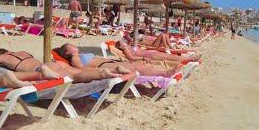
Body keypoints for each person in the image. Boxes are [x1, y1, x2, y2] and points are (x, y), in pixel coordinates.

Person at [0, 49, 126, 83]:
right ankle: (111, 70)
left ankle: (104, 73)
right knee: (78, 72)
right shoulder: (22, 52)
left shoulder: (6, 57)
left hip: (44, 69)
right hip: (53, 63)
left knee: (75, 77)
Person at [54, 44, 182, 77]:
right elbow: (80, 69)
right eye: (70, 46)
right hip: (106, 66)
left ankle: (165, 70)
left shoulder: (78, 54)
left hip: (110, 62)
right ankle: (165, 73)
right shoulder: (75, 58)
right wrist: (100, 71)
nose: (74, 46)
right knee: (137, 68)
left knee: (139, 65)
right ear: (67, 52)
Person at [115, 41, 201, 63]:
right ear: (120, 46)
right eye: (122, 42)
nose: (123, 42)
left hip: (149, 53)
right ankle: (189, 59)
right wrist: (142, 58)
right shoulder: (126, 49)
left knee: (168, 56)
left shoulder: (129, 46)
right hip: (148, 56)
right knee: (168, 57)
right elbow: (131, 58)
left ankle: (188, 58)